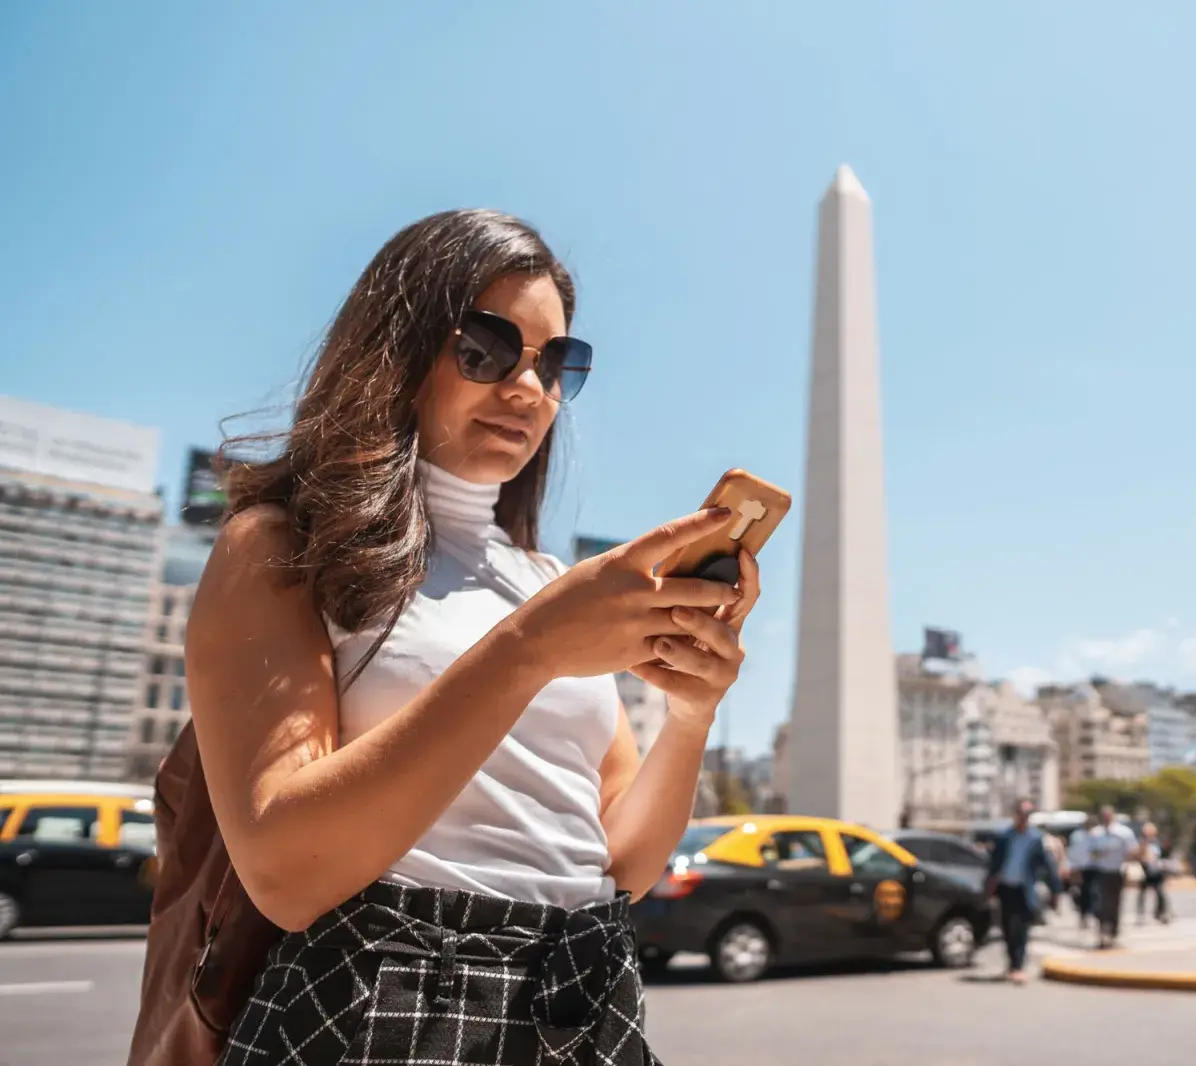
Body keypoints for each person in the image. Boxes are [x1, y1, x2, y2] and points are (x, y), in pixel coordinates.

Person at [182, 209, 762, 1066]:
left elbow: (621, 864)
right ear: (398, 350)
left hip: (588, 994)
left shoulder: (546, 584)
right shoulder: (280, 546)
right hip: (382, 993)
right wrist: (530, 649)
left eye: (558, 364)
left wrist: (690, 717)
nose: (529, 389)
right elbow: (285, 870)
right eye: (487, 349)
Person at [985, 799, 1064, 984]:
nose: (1023, 817)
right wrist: (989, 885)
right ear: (1015, 814)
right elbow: (993, 863)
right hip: (1006, 888)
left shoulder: (1036, 838)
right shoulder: (1004, 836)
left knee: (1021, 927)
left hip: (1025, 889)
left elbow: (1048, 866)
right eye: (1021, 813)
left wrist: (1056, 890)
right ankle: (1012, 963)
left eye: (1027, 814)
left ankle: (1018, 966)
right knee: (1006, 927)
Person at [1084, 806, 1140, 949]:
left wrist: (1125, 858)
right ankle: (1102, 933)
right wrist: (1100, 853)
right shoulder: (1095, 833)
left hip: (1117, 871)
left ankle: (1112, 933)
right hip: (1100, 871)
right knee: (1100, 904)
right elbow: (1090, 852)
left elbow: (1133, 851)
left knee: (1114, 904)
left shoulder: (1123, 832)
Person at [1135, 822, 1170, 925]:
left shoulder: (1158, 842)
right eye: (1146, 832)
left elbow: (1164, 855)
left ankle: (1161, 913)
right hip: (1145, 871)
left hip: (1157, 870)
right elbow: (1138, 855)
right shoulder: (1141, 843)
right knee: (1142, 894)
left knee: (1160, 893)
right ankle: (1140, 914)